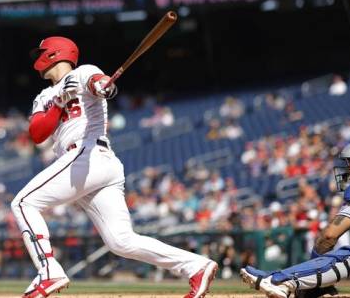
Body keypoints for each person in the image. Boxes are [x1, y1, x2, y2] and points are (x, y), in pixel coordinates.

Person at [11, 36, 217, 298]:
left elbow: (98, 84)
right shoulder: (44, 96)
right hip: (90, 165)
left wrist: (102, 88)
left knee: (22, 203)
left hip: (88, 153)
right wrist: (60, 102)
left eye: (41, 53)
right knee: (121, 241)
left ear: (53, 54)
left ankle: (48, 270)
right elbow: (37, 133)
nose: (37, 60)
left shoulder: (84, 70)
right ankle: (197, 266)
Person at [240, 141, 350, 298]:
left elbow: (328, 237)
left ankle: (278, 280)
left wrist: (313, 269)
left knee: (345, 255)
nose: (346, 168)